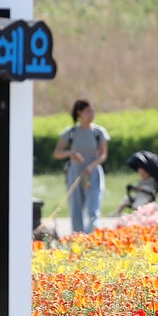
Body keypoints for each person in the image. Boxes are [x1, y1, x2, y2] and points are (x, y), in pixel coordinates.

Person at [52, 99, 110, 233]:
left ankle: (93, 236)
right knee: (76, 209)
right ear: (79, 113)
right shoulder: (71, 132)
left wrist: (92, 166)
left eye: (93, 111)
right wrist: (70, 154)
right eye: (88, 112)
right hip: (75, 173)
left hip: (93, 174)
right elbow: (57, 152)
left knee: (93, 209)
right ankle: (77, 238)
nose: (91, 115)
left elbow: (103, 155)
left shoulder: (98, 132)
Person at [112, 150, 158, 216]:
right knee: (126, 199)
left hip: (145, 197)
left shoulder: (152, 181)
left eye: (143, 173)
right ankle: (118, 212)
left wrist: (141, 189)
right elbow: (138, 187)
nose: (141, 174)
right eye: (139, 172)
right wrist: (133, 188)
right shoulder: (142, 180)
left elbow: (150, 190)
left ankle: (135, 215)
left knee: (139, 203)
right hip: (139, 195)